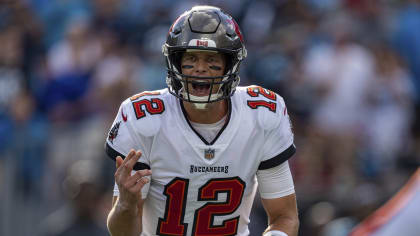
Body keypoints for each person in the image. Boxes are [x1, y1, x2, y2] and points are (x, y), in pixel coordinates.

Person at [105, 5, 299, 236]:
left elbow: (284, 217)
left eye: (211, 59)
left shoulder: (262, 113)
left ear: (231, 64)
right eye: (191, 58)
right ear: (175, 62)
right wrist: (125, 205)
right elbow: (123, 233)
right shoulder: (144, 118)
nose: (200, 69)